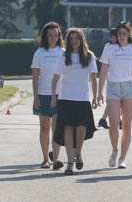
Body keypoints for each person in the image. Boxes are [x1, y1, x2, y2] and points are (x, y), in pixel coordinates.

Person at [97, 21, 132, 169]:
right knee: (113, 124)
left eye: (124, 34)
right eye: (119, 34)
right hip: (113, 87)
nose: (121, 36)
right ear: (116, 36)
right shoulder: (109, 48)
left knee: (127, 125)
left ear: (129, 34)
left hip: (129, 88)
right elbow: (104, 70)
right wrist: (99, 92)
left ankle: (122, 158)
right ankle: (114, 150)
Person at [51, 28, 99, 175]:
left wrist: (95, 96)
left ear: (81, 39)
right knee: (68, 128)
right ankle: (70, 163)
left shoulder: (89, 56)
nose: (73, 42)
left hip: (82, 98)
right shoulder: (63, 56)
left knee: (81, 128)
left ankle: (78, 152)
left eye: (76, 38)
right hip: (66, 98)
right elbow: (56, 77)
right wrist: (54, 95)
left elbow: (93, 77)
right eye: (71, 39)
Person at [31, 22, 64, 170]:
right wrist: (36, 97)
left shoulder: (63, 52)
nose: (53, 38)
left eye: (56, 35)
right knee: (44, 128)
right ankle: (45, 158)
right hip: (43, 95)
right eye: (50, 35)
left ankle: (56, 158)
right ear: (45, 36)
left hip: (59, 95)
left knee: (56, 128)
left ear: (59, 36)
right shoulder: (39, 53)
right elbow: (35, 77)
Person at [98, 28, 117, 130]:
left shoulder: (122, 46)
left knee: (114, 101)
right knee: (113, 101)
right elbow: (105, 63)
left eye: (115, 36)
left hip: (120, 77)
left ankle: (104, 119)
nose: (114, 38)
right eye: (112, 36)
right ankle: (106, 119)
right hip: (111, 78)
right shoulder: (108, 46)